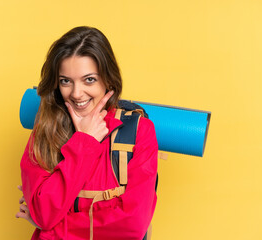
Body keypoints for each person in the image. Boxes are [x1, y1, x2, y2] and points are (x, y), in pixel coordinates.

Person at [16, 26, 158, 240]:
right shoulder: (45, 130)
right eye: (66, 81)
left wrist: (52, 230)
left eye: (89, 79)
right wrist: (85, 142)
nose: (76, 93)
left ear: (108, 79)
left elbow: (133, 225)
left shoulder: (139, 132)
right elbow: (44, 213)